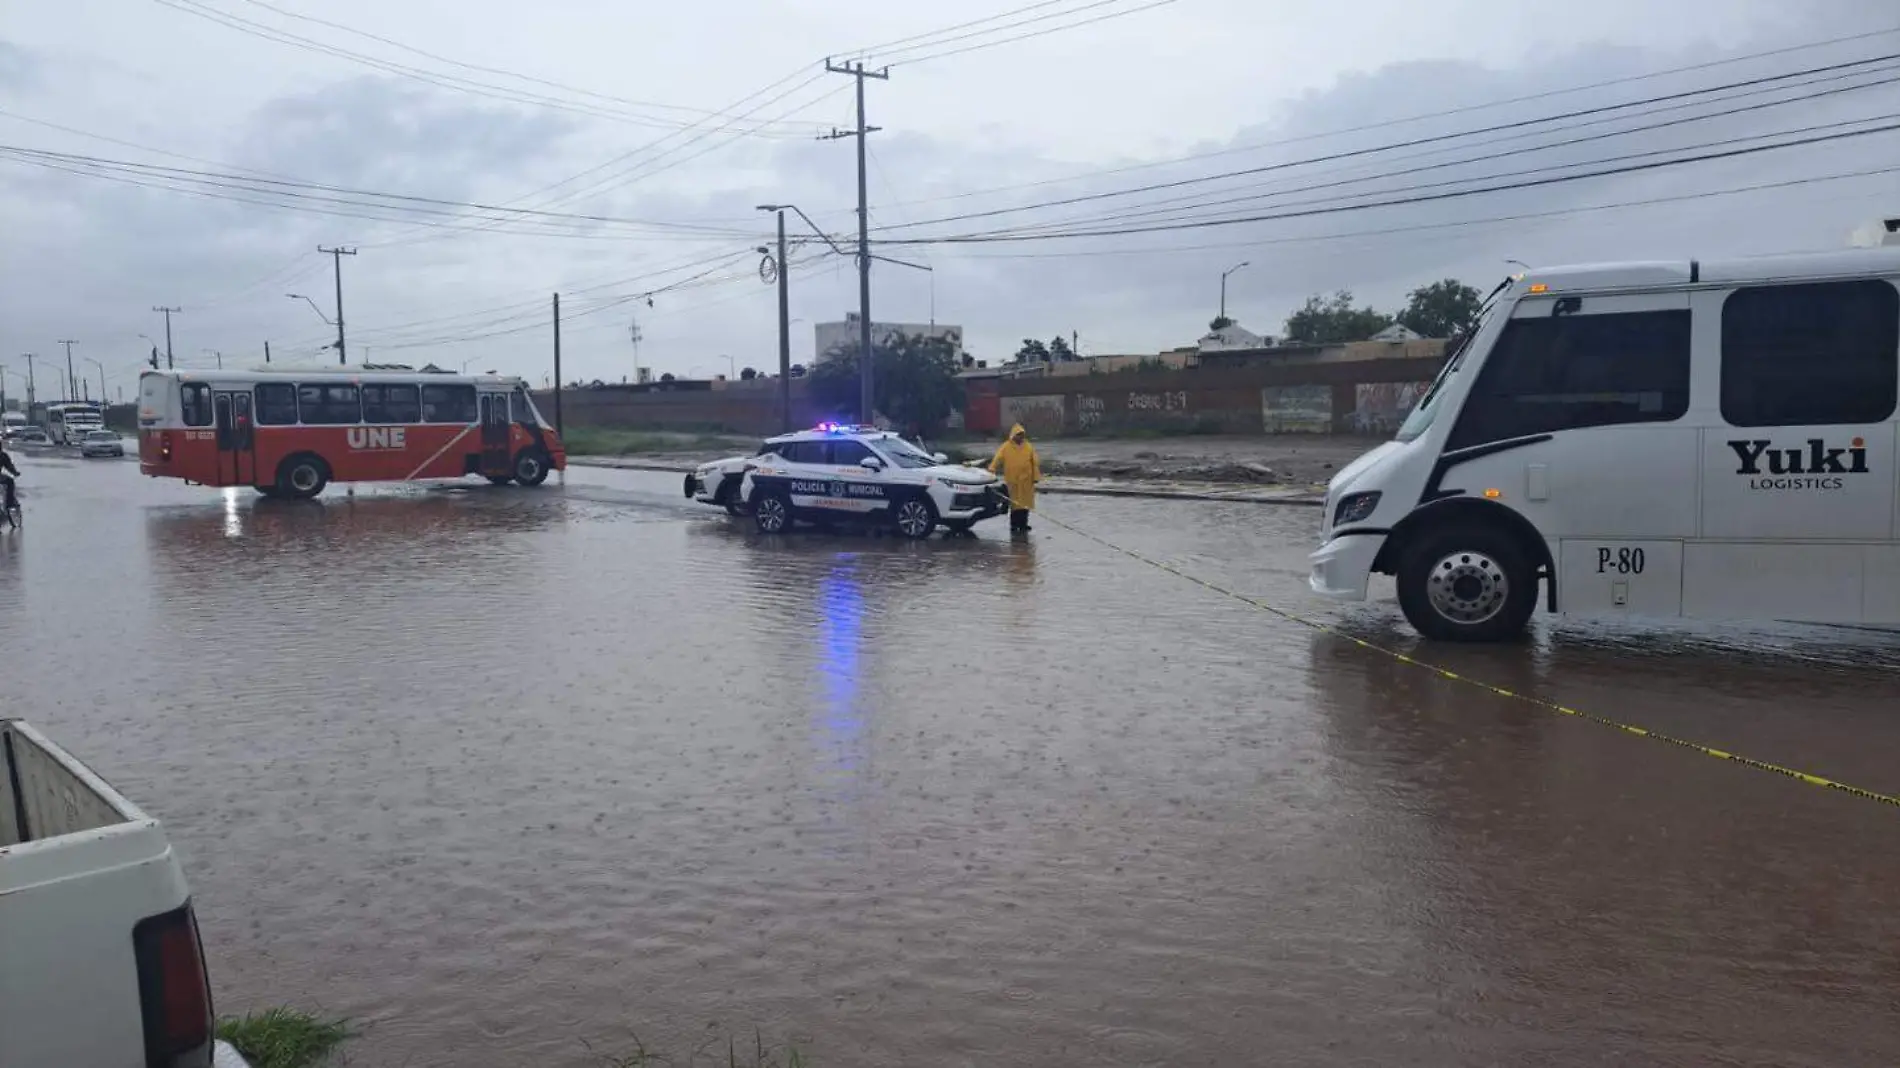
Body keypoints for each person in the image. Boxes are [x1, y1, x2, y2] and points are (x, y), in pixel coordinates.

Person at [988, 423, 1040, 532]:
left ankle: (1023, 524)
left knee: (1025, 504)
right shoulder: (1006, 446)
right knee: (1015, 504)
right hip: (1013, 480)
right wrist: (992, 468)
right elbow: (998, 458)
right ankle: (1014, 524)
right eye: (1018, 435)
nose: (1021, 437)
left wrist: (1036, 476)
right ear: (1013, 435)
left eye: (1022, 435)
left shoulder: (1028, 446)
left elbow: (1034, 462)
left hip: (1026, 481)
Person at [0, 442, 18, 515]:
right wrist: (15, 473)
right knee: (10, 481)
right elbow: (9, 466)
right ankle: (9, 503)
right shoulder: (3, 455)